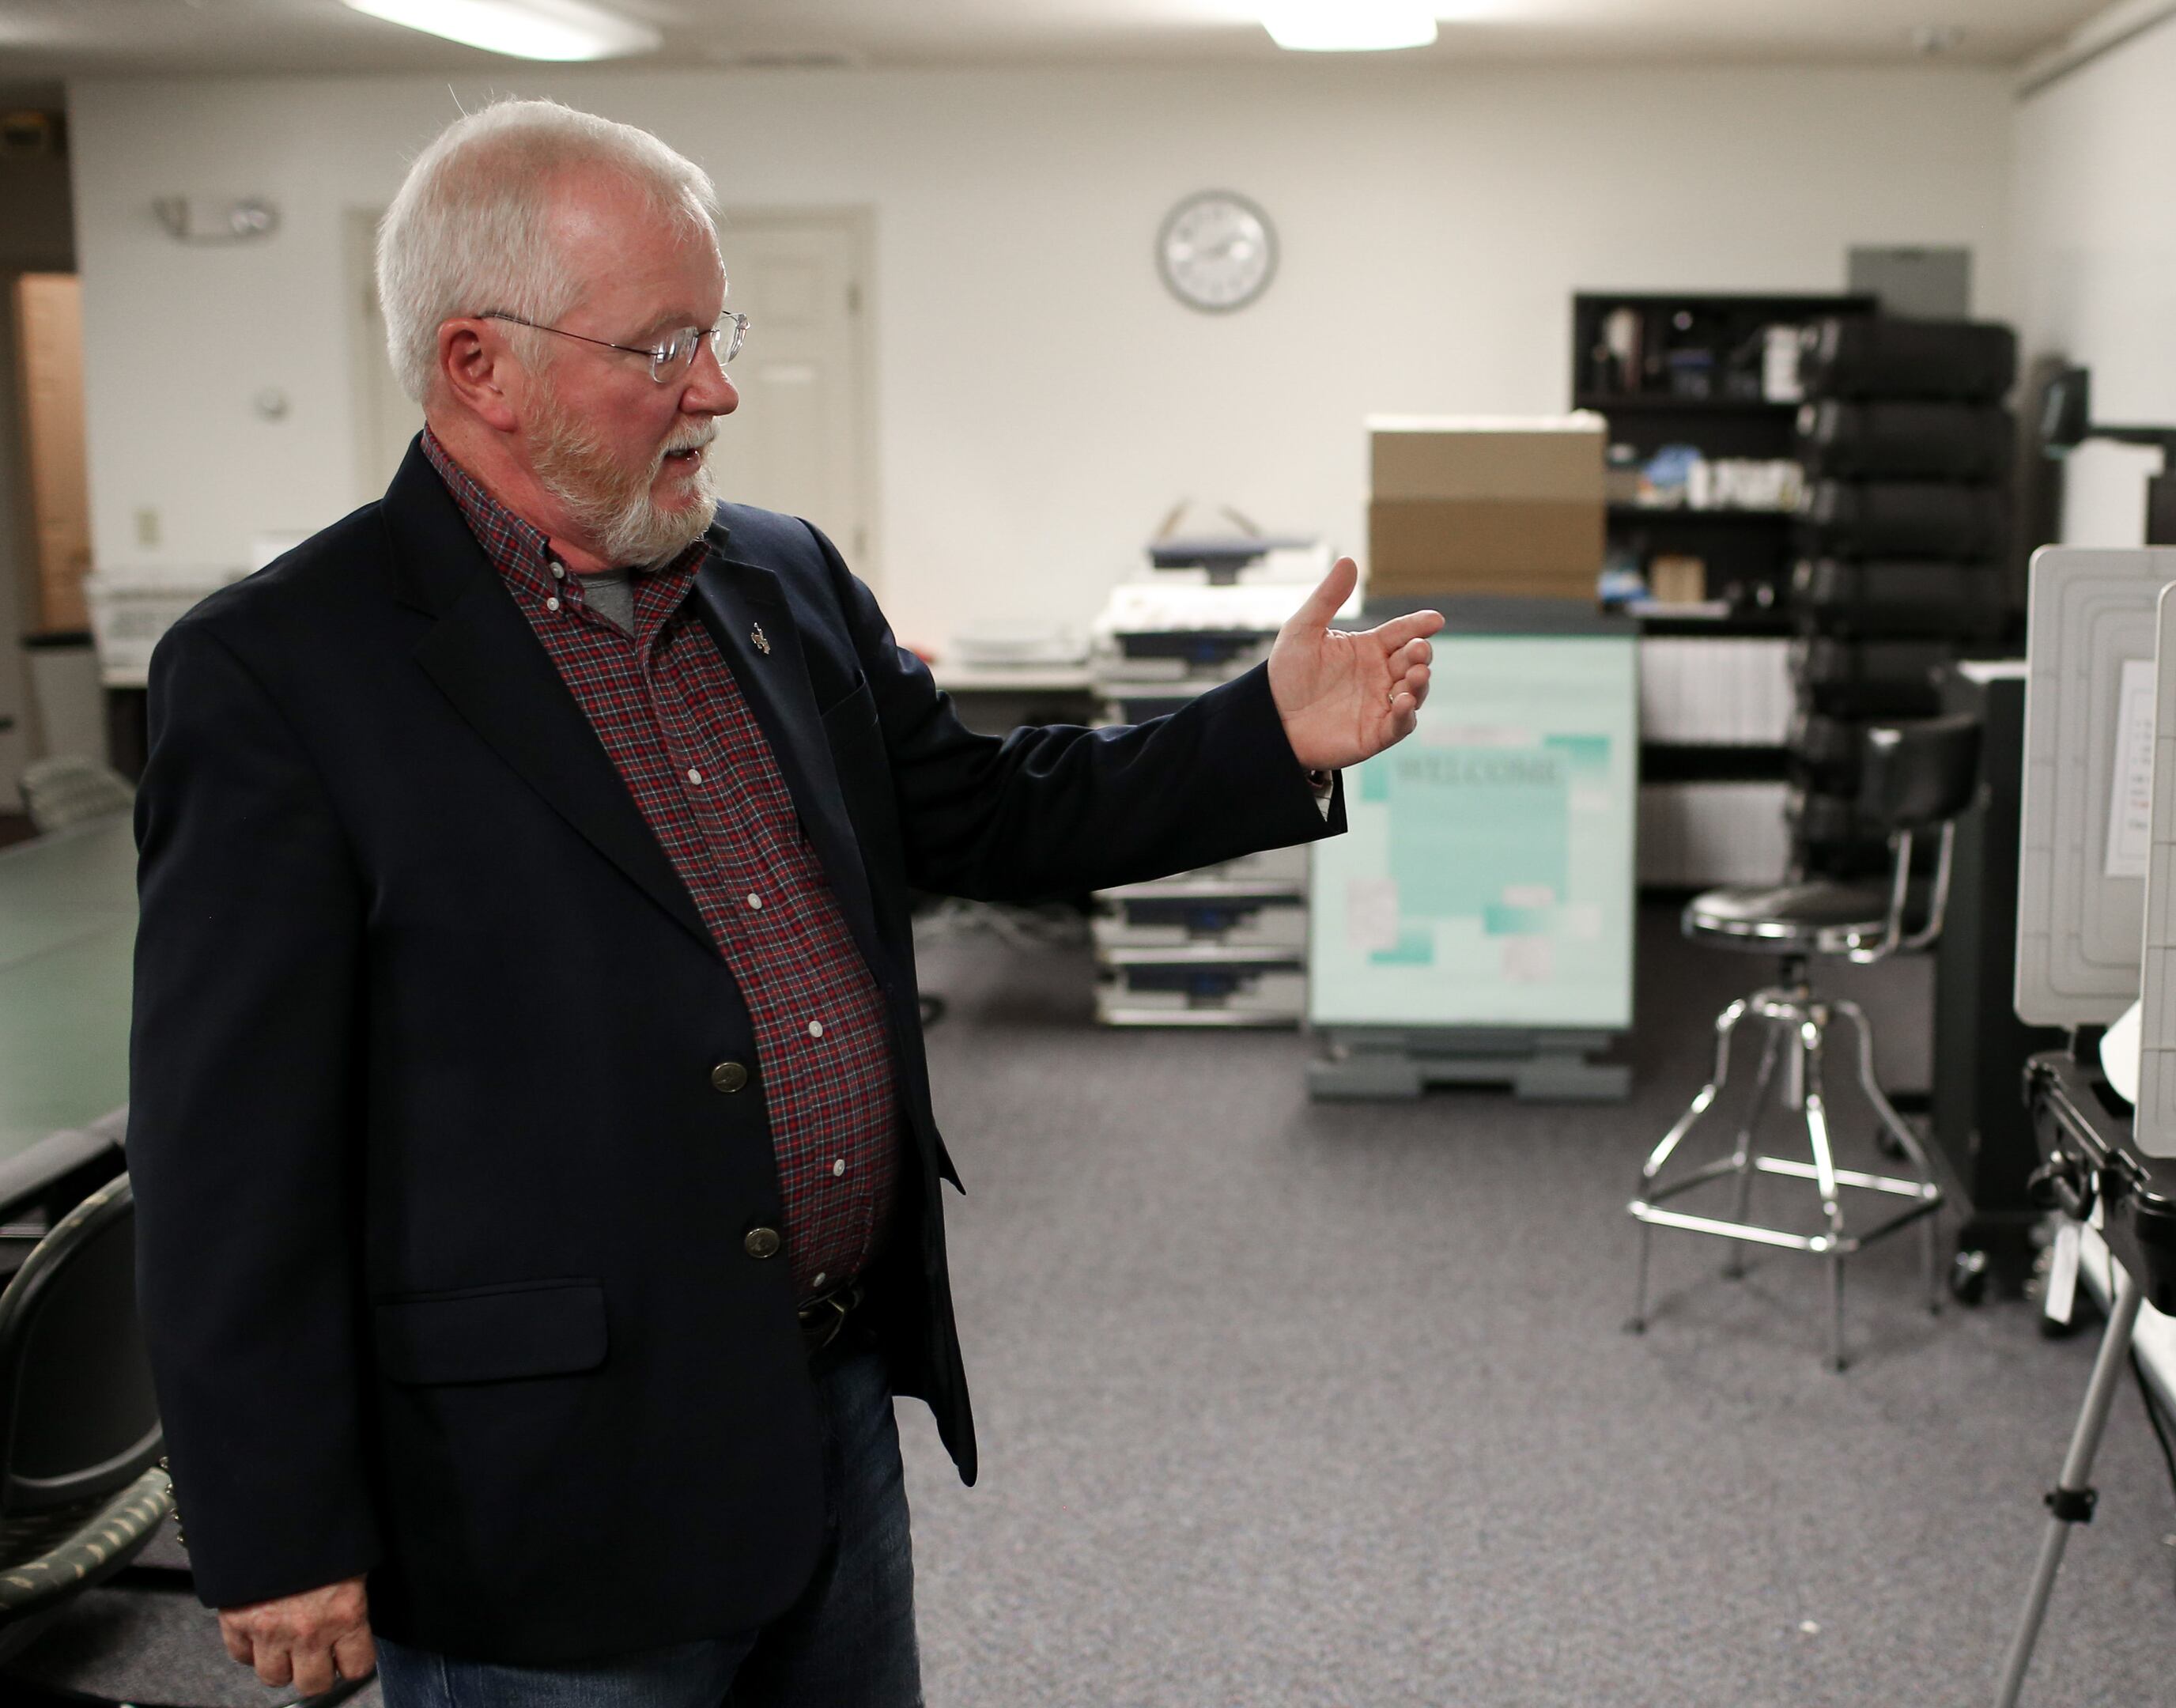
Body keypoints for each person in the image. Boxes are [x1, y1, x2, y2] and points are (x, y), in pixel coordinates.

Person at [127, 98, 1438, 1706]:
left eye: (720, 328)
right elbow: (229, 1152)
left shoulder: (781, 576)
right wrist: (272, 1521)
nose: (721, 387)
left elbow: (974, 812)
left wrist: (1261, 736)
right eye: (666, 343)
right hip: (540, 1493)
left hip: (819, 1402)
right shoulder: (280, 672)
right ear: (481, 366)